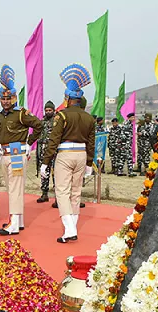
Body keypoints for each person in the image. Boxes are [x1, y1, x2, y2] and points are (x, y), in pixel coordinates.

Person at [42, 64, 95, 243]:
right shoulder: (89, 118)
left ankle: (69, 228)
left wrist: (45, 161)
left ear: (68, 98)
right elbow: (91, 142)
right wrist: (89, 163)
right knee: (76, 191)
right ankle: (72, 225)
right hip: (81, 155)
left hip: (65, 155)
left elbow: (53, 139)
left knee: (62, 191)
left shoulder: (62, 116)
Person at [0, 64, 42, 236]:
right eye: (3, 98)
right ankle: (18, 221)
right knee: (12, 188)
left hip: (16, 152)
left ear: (14, 98)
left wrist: (29, 143)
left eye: (9, 98)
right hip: (5, 154)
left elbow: (38, 125)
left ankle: (13, 224)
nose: (6, 101)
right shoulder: (0, 116)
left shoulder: (21, 113)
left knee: (14, 188)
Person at [29, 100, 56, 204]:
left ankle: (58, 196)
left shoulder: (56, 122)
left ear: (53, 110)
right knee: (44, 173)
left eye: (50, 110)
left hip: (53, 151)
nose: (48, 112)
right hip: (42, 151)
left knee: (56, 174)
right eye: (46, 110)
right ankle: (44, 193)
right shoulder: (41, 122)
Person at [122, 113, 137, 177]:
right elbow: (123, 134)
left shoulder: (130, 124)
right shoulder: (126, 124)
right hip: (126, 144)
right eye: (133, 117)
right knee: (128, 157)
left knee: (124, 157)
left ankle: (121, 171)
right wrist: (125, 143)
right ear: (129, 117)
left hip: (128, 143)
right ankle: (130, 172)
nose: (134, 119)